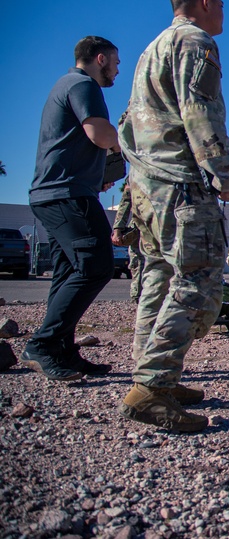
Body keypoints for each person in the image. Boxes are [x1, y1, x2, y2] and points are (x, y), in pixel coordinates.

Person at [118, 0, 229, 432]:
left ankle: (152, 375)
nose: (225, 13)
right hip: (181, 185)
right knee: (197, 283)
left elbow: (127, 122)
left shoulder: (150, 49)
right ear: (207, 2)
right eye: (223, 5)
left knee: (159, 277)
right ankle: (152, 387)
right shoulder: (195, 44)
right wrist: (225, 174)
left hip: (148, 185)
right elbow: (200, 111)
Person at [22, 36, 121, 381]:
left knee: (68, 272)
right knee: (97, 265)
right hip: (66, 194)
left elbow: (78, 142)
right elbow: (100, 135)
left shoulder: (65, 84)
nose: (117, 69)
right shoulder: (84, 84)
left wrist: (97, 175)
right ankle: (44, 344)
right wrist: (127, 139)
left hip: (54, 192)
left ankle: (62, 349)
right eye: (115, 62)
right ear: (99, 58)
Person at [111, 177, 145, 302]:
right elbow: (126, 201)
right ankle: (138, 300)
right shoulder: (136, 171)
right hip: (142, 224)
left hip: (170, 223)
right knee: (138, 263)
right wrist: (118, 229)